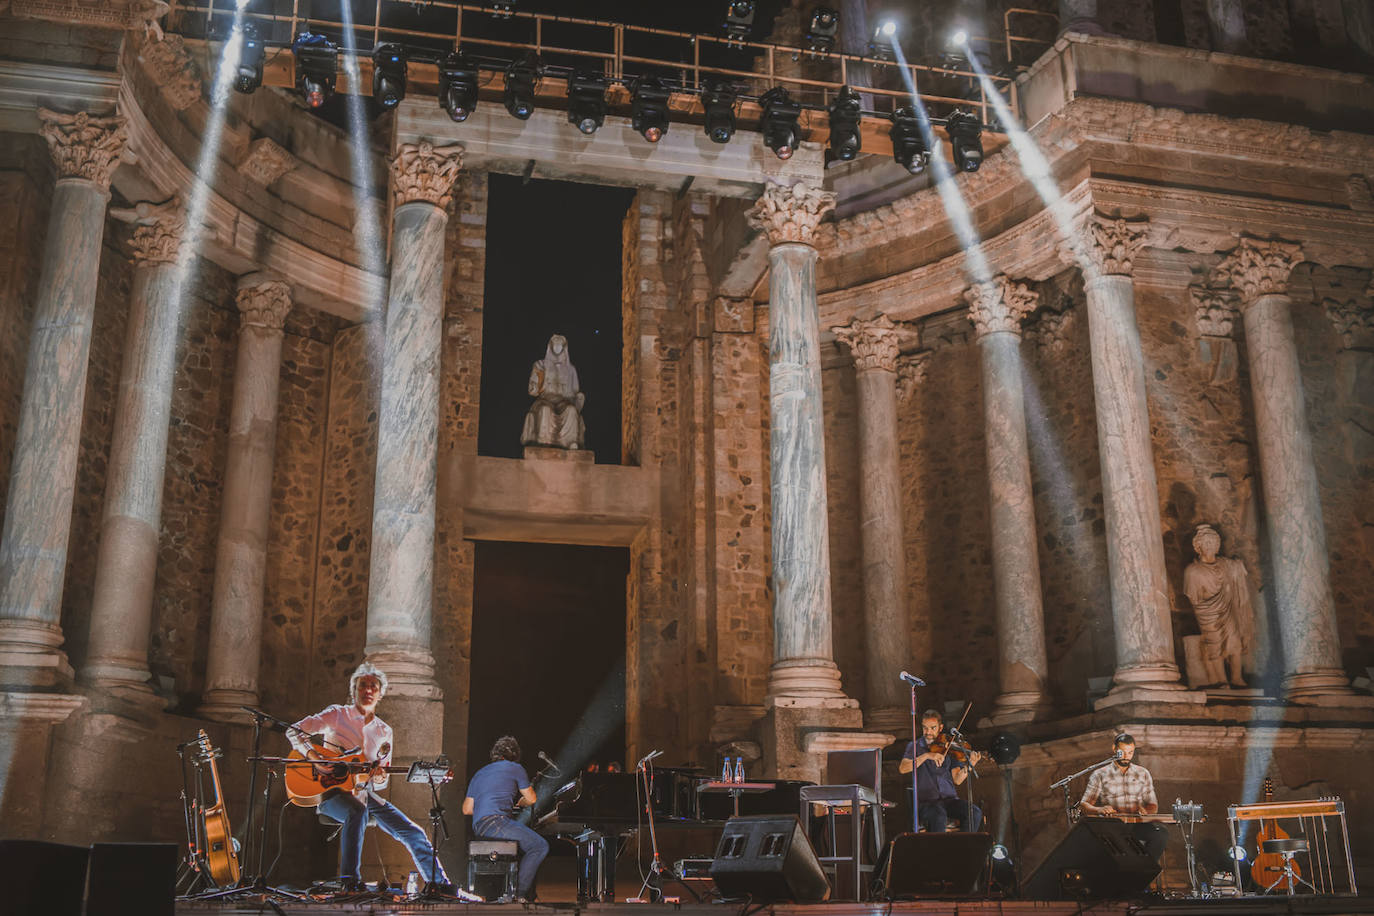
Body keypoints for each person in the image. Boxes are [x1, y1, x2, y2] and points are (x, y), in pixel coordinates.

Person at [289, 662, 453, 894]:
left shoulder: (384, 731)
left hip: (365, 795)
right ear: (353, 690)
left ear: (380, 693)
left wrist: (378, 776)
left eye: (373, 686)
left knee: (413, 831)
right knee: (357, 811)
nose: (367, 690)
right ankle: (350, 881)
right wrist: (314, 757)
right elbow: (293, 730)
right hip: (331, 793)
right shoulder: (338, 714)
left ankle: (440, 885)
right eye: (362, 685)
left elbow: (381, 780)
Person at [464, 736, 549, 901]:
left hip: (480, 827)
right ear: (515, 754)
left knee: (522, 845)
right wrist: (520, 802)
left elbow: (467, 809)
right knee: (539, 846)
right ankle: (519, 895)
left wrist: (487, 806)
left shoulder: (480, 773)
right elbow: (531, 799)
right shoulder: (515, 768)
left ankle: (512, 891)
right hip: (496, 823)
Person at [1183, 524, 1254, 688]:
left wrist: (1238, 566)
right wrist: (1209, 606)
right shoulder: (1193, 571)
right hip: (1208, 614)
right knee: (1215, 646)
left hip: (1229, 610)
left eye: (1214, 543)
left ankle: (1236, 678)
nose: (1211, 546)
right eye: (1206, 543)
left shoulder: (1226, 565)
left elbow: (1238, 570)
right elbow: (1195, 599)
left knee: (1234, 643)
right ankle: (1221, 680)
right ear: (1198, 546)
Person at [1077, 733, 1168, 861]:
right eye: (1123, 752)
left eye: (1130, 752)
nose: (1126, 756)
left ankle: (1142, 871)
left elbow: (1153, 806)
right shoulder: (1099, 774)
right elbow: (1084, 805)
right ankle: (1126, 873)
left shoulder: (1143, 773)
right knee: (1114, 843)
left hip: (1136, 825)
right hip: (1112, 825)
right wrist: (1099, 810)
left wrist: (1146, 811)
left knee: (1160, 833)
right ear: (1114, 749)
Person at [899, 709, 983, 832]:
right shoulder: (915, 746)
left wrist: (971, 764)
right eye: (925, 728)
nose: (928, 732)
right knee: (939, 815)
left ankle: (964, 847)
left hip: (949, 801)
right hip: (927, 803)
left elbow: (957, 780)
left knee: (974, 812)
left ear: (940, 727)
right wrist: (927, 756)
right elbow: (902, 768)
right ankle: (939, 851)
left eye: (933, 728)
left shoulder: (948, 747)